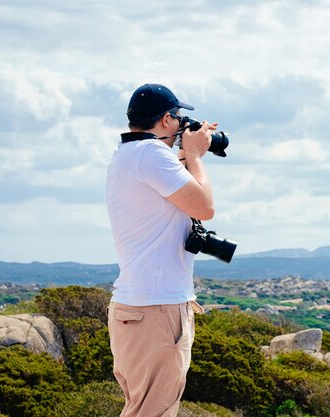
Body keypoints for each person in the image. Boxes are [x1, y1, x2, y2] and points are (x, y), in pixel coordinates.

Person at [105, 83, 217, 417]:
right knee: (153, 411)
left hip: (136, 307)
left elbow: (176, 192)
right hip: (157, 310)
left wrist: (186, 153)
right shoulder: (150, 155)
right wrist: (195, 155)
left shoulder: (127, 155)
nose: (183, 124)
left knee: (140, 407)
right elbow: (204, 207)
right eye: (180, 118)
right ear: (167, 119)